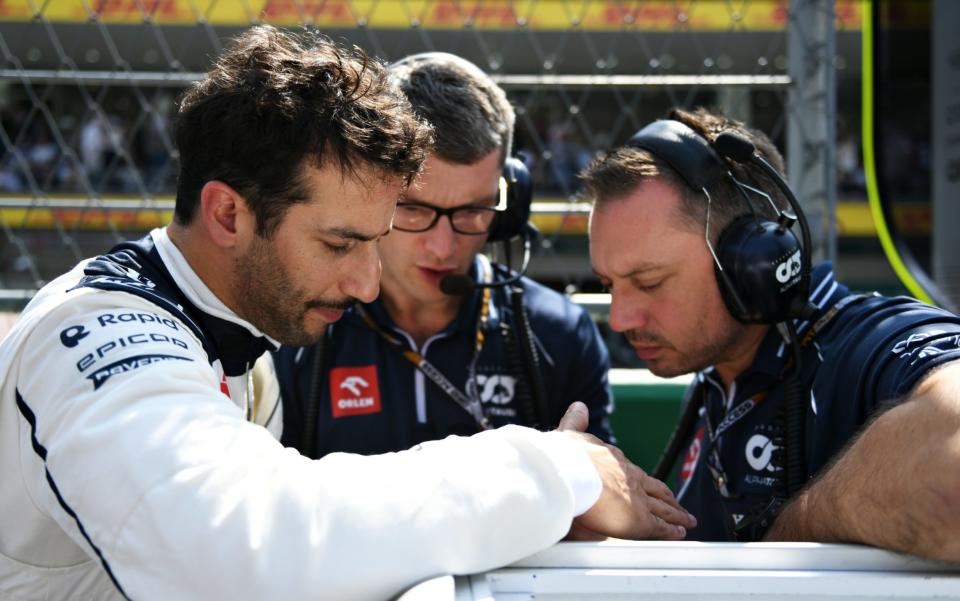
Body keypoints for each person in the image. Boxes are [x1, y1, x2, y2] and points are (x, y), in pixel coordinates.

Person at [0, 26, 696, 601]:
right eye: (341, 242)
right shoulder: (94, 330)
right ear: (227, 213)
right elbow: (241, 550)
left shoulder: (240, 331)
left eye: (376, 240)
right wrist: (553, 469)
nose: (368, 283)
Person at [583, 107, 960, 560]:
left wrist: (795, 530)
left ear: (750, 262)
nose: (620, 318)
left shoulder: (864, 344)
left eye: (650, 283)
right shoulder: (716, 379)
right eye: (608, 286)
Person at [272, 52, 614, 459]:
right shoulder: (293, 330)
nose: (443, 247)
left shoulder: (559, 336)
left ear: (512, 202)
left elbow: (600, 513)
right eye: (414, 208)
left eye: (473, 211)